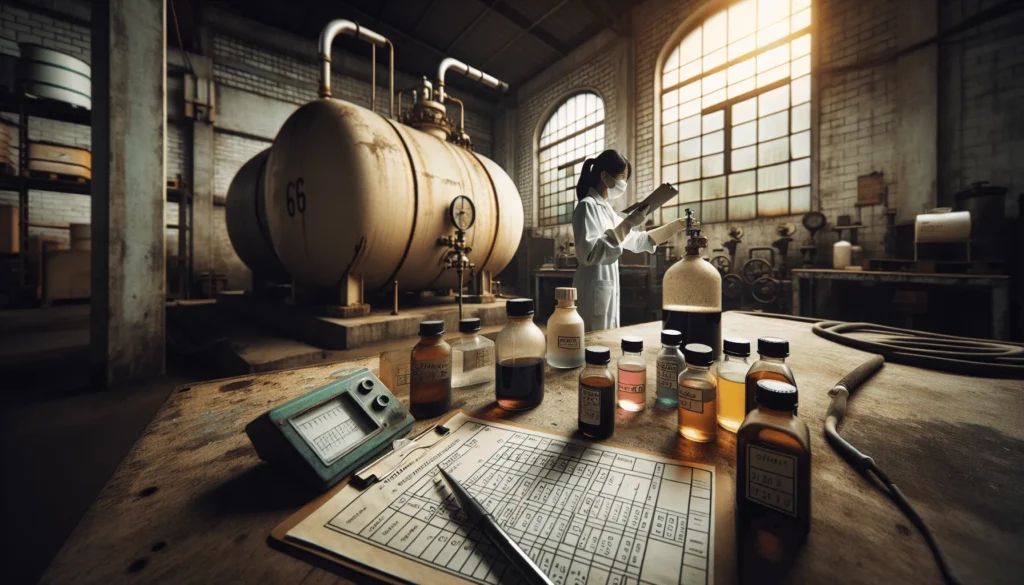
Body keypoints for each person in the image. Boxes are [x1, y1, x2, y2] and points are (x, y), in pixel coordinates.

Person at [572, 149, 686, 331]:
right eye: (622, 176)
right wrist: (629, 222)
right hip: (591, 288)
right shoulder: (587, 206)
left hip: (604, 288)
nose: (624, 183)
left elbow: (638, 241)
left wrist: (675, 226)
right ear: (604, 176)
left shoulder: (608, 211)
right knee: (591, 341)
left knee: (605, 340)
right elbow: (589, 254)